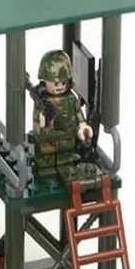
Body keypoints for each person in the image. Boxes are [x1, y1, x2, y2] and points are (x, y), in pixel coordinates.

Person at [32, 49, 99, 184]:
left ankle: (67, 169)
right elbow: (38, 125)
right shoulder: (43, 102)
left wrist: (83, 125)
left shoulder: (70, 98)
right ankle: (47, 170)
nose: (60, 87)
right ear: (45, 81)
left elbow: (78, 113)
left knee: (68, 157)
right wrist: (43, 123)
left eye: (63, 83)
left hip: (68, 140)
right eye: (55, 83)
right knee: (46, 159)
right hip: (49, 141)